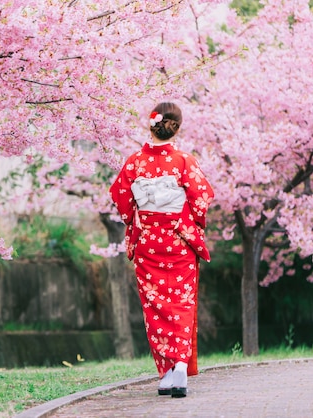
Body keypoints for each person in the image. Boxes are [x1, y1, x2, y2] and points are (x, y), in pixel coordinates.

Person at [109, 102, 214, 398]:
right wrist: (185, 222)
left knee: (155, 305)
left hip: (148, 242)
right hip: (179, 241)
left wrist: (138, 219)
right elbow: (201, 198)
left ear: (151, 125)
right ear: (176, 127)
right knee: (181, 301)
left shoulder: (134, 163)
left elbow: (121, 198)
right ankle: (179, 367)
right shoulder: (184, 162)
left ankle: (168, 371)